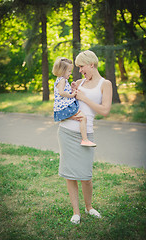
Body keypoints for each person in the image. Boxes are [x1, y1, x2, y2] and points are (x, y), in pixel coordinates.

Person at [57, 50, 112, 224]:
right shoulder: (78, 83)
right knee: (70, 174)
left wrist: (84, 98)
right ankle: (76, 212)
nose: (79, 70)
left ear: (91, 65)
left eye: (81, 66)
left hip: (85, 134)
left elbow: (105, 111)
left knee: (86, 176)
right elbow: (63, 100)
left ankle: (89, 207)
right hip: (66, 131)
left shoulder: (105, 84)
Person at [53, 57, 96, 147]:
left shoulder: (60, 80)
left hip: (62, 107)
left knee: (78, 117)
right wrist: (72, 95)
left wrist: (72, 89)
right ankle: (85, 139)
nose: (70, 73)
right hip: (65, 107)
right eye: (69, 71)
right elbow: (61, 92)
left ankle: (69, 117)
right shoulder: (62, 80)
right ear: (63, 71)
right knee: (83, 118)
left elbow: (64, 91)